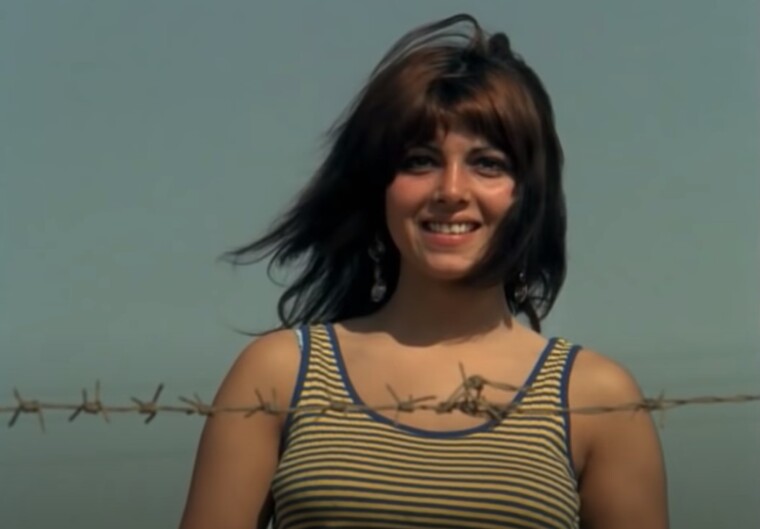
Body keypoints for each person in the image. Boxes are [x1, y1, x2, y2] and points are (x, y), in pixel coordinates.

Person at [178, 13, 669, 529]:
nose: (451, 191)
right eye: (419, 161)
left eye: (487, 163)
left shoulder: (595, 397)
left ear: (528, 195)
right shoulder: (279, 375)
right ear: (377, 188)